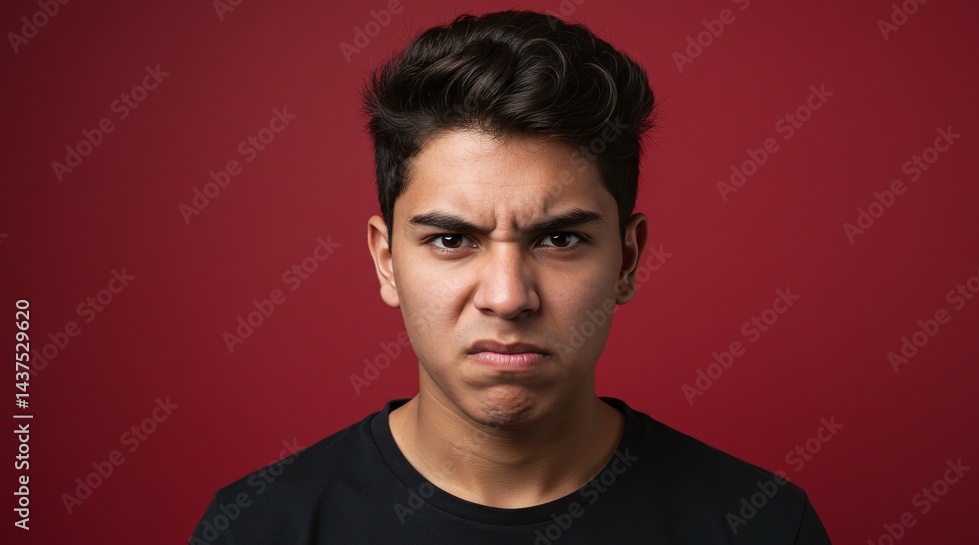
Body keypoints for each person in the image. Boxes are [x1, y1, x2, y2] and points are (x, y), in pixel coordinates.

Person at [191, 10, 831, 544]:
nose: (507, 297)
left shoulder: (762, 525)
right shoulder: (257, 527)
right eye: (451, 239)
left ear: (627, 260)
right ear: (386, 260)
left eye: (559, 239)